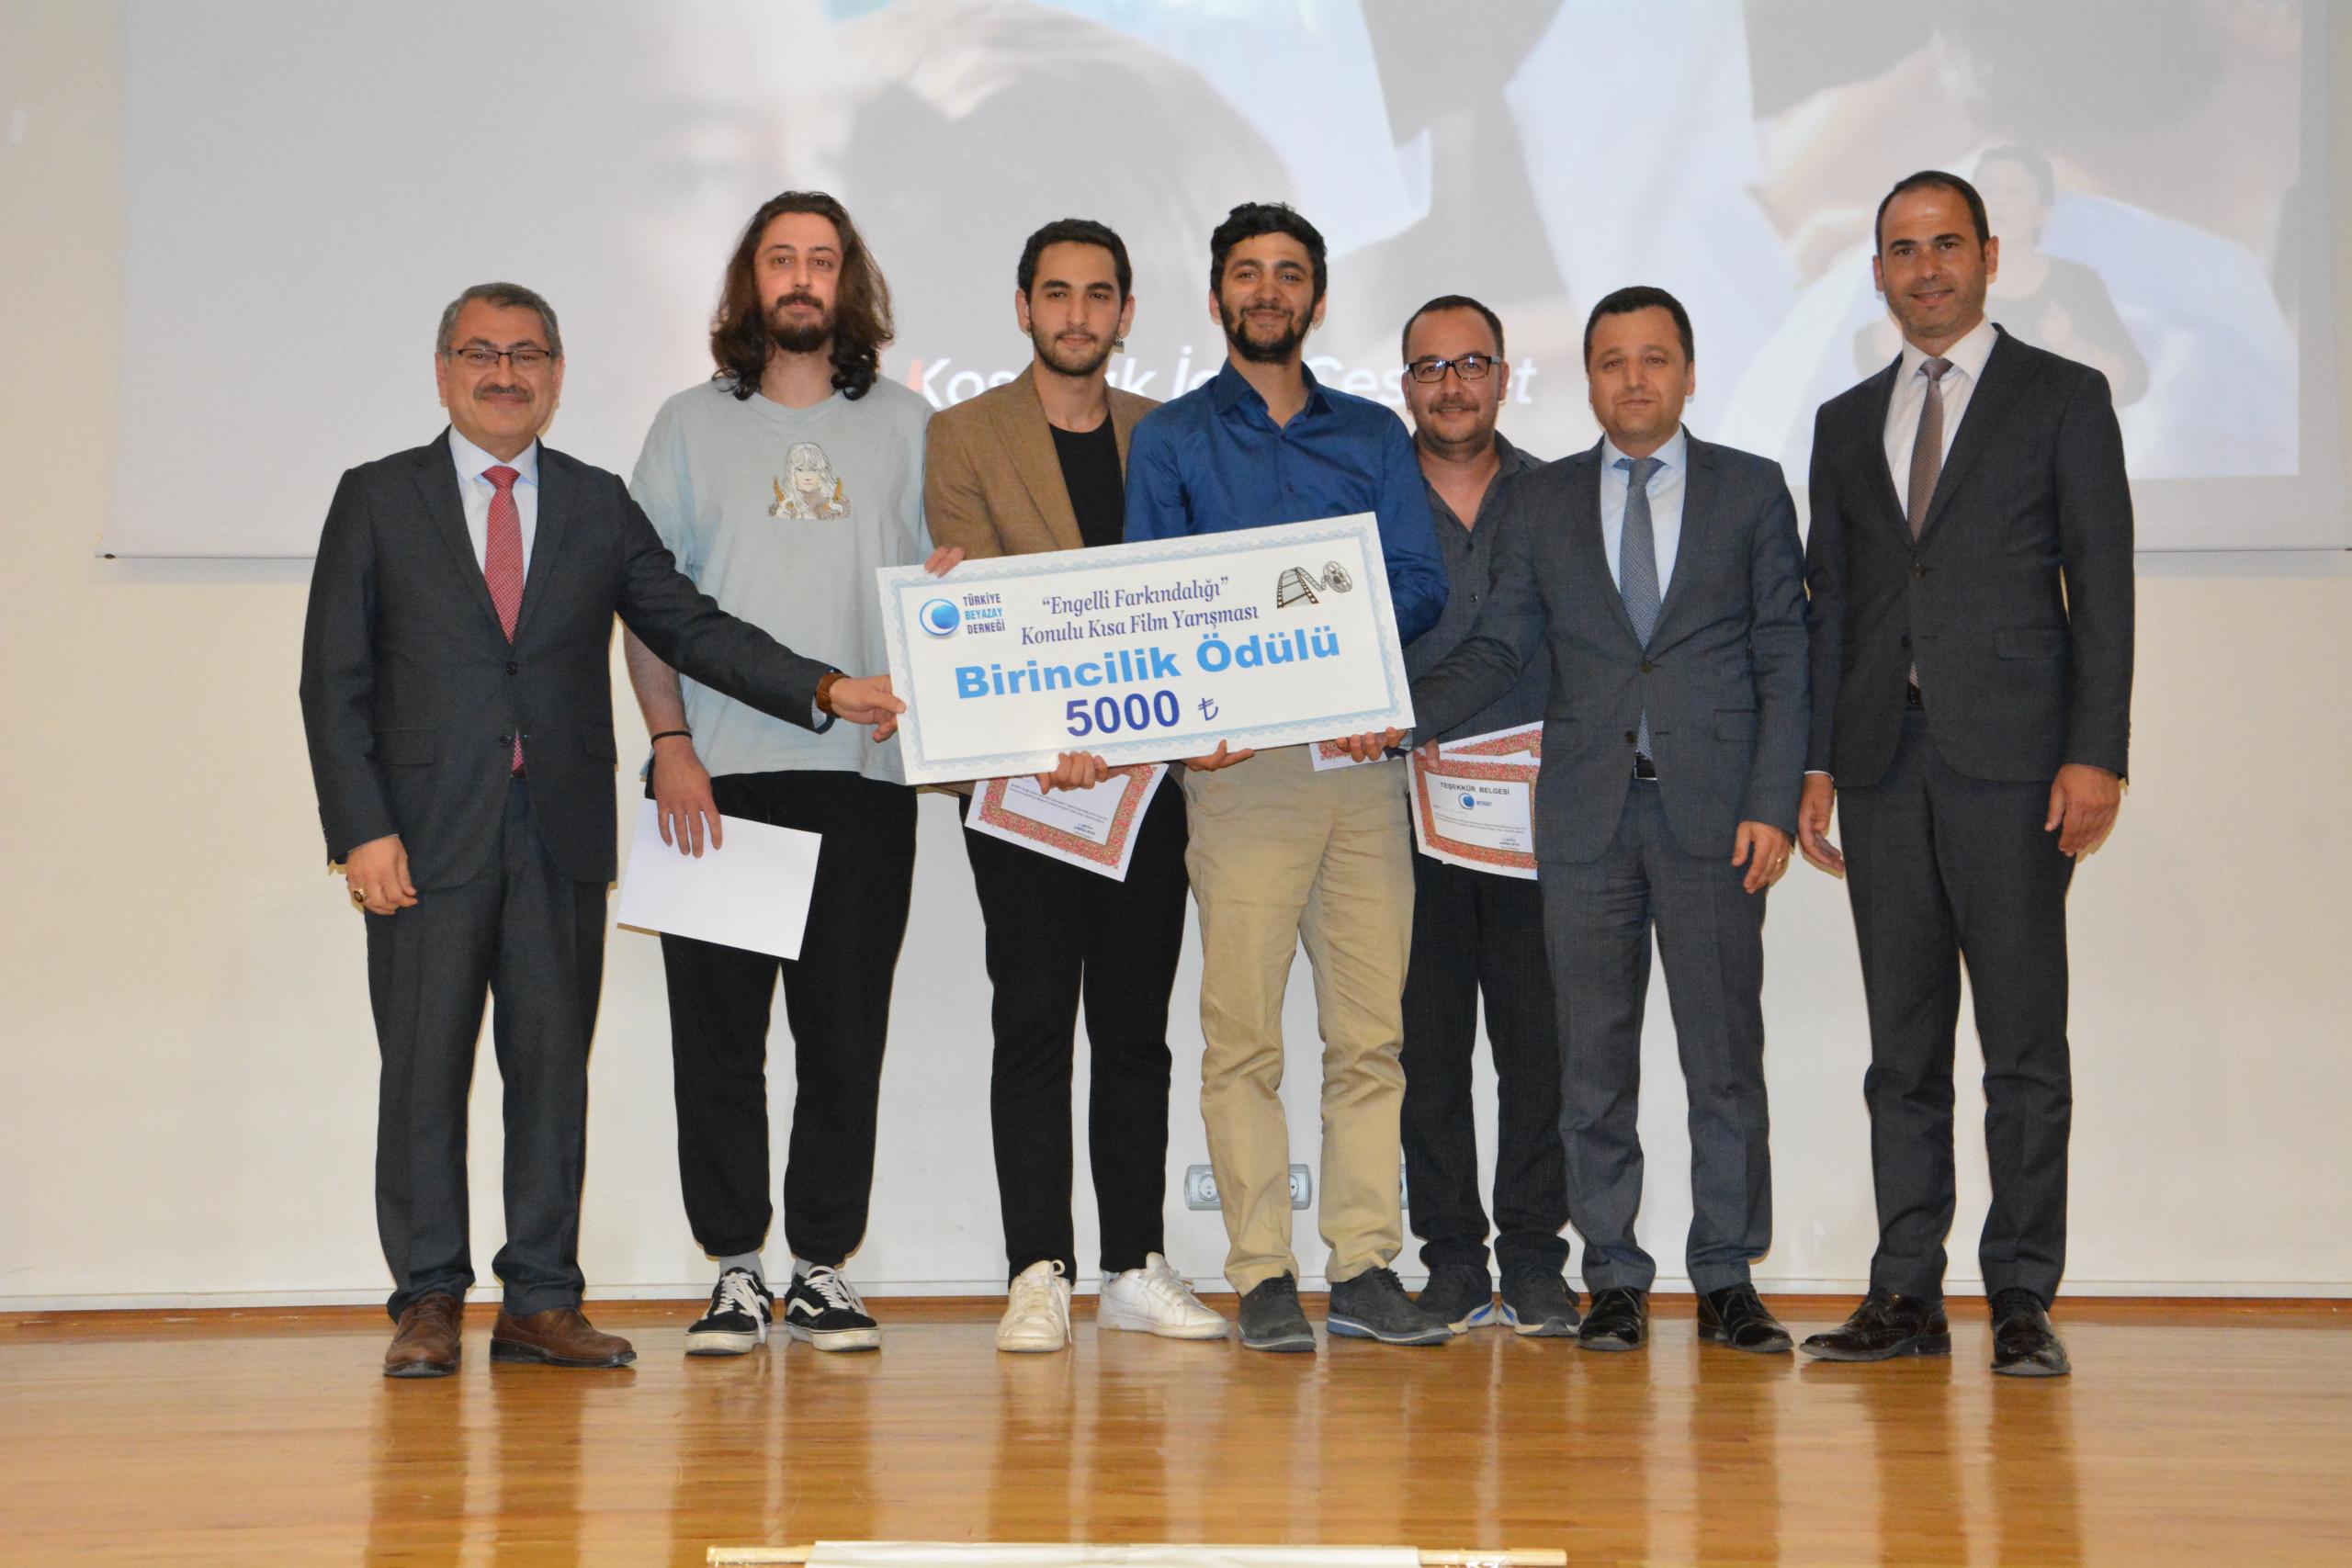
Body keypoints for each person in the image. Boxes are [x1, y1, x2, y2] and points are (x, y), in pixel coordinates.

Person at [299, 281, 902, 1379]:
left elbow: (689, 624)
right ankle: (428, 1299)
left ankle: (540, 1300)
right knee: (423, 1077)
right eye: (480, 353)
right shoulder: (377, 498)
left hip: (561, 836)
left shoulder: (593, 501)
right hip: (422, 841)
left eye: (527, 354)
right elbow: (332, 683)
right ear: (443, 371)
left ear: (557, 375)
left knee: (549, 1076)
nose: (504, 374)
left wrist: (822, 687)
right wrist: (362, 830)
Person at [1362, 287, 1808, 1355]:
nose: (1633, 379)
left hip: (1715, 818)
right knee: (1589, 1067)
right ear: (1589, 380)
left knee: (1722, 1061)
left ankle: (1724, 1276)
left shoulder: (1751, 489)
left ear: (1688, 373)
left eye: (1654, 359)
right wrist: (1394, 719)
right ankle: (1610, 1274)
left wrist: (1773, 803)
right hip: (1581, 820)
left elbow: (1785, 656)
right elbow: (1500, 645)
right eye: (1612, 361)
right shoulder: (1546, 499)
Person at [1795, 171, 2133, 1378]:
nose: (1925, 267)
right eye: (1903, 248)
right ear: (1877, 271)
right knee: (1902, 1052)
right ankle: (1905, 1292)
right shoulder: (1844, 420)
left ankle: (2024, 1295)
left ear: (1989, 256)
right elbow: (1833, 605)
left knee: (2023, 1047)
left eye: (1946, 244)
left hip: (2018, 768)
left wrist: (2096, 751)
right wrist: (1816, 760)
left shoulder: (2064, 396)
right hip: (1882, 767)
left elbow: (2102, 585)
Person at [1125, 202, 1451, 1352]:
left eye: (1289, 274)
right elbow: (1150, 594)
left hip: (1358, 766)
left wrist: (1344, 665)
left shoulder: (1370, 435)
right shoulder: (1170, 439)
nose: (1268, 291)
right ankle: (1262, 1272)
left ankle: (1363, 1266)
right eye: (1248, 273)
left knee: (1369, 1039)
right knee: (1243, 1040)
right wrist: (1195, 703)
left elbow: (1418, 580)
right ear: (1218, 293)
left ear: (1315, 296)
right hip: (1240, 772)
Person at [622, 191, 934, 1358]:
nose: (801, 277)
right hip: (718, 779)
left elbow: (940, 594)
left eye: (822, 259)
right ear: (749, 283)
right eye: (779, 259)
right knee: (718, 1044)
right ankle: (735, 1272)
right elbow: (647, 607)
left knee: (844, 1038)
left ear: (849, 284)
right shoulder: (686, 426)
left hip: (864, 778)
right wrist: (670, 746)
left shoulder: (909, 425)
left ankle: (821, 1269)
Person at [922, 218, 1225, 1352]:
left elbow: (1191, 598)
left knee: (1137, 1032)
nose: (1077, 314)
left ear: (1126, 314)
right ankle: (1035, 1269)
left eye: (1099, 295)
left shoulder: (1166, 433)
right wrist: (1054, 724)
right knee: (1034, 1023)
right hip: (1023, 788)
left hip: (1147, 787)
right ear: (1023, 307)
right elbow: (977, 597)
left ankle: (1133, 1263)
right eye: (1056, 293)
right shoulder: (962, 433)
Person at [1388, 295, 1577, 1338]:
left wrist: (1392, 717)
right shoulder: (1368, 504)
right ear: (1405, 385)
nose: (1452, 385)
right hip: (1399, 813)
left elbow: (1539, 644)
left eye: (1471, 365)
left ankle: (1537, 1257)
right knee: (1427, 1050)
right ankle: (1454, 1259)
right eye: (1430, 368)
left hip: (1533, 815)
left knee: (1537, 1046)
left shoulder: (1557, 497)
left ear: (1504, 377)